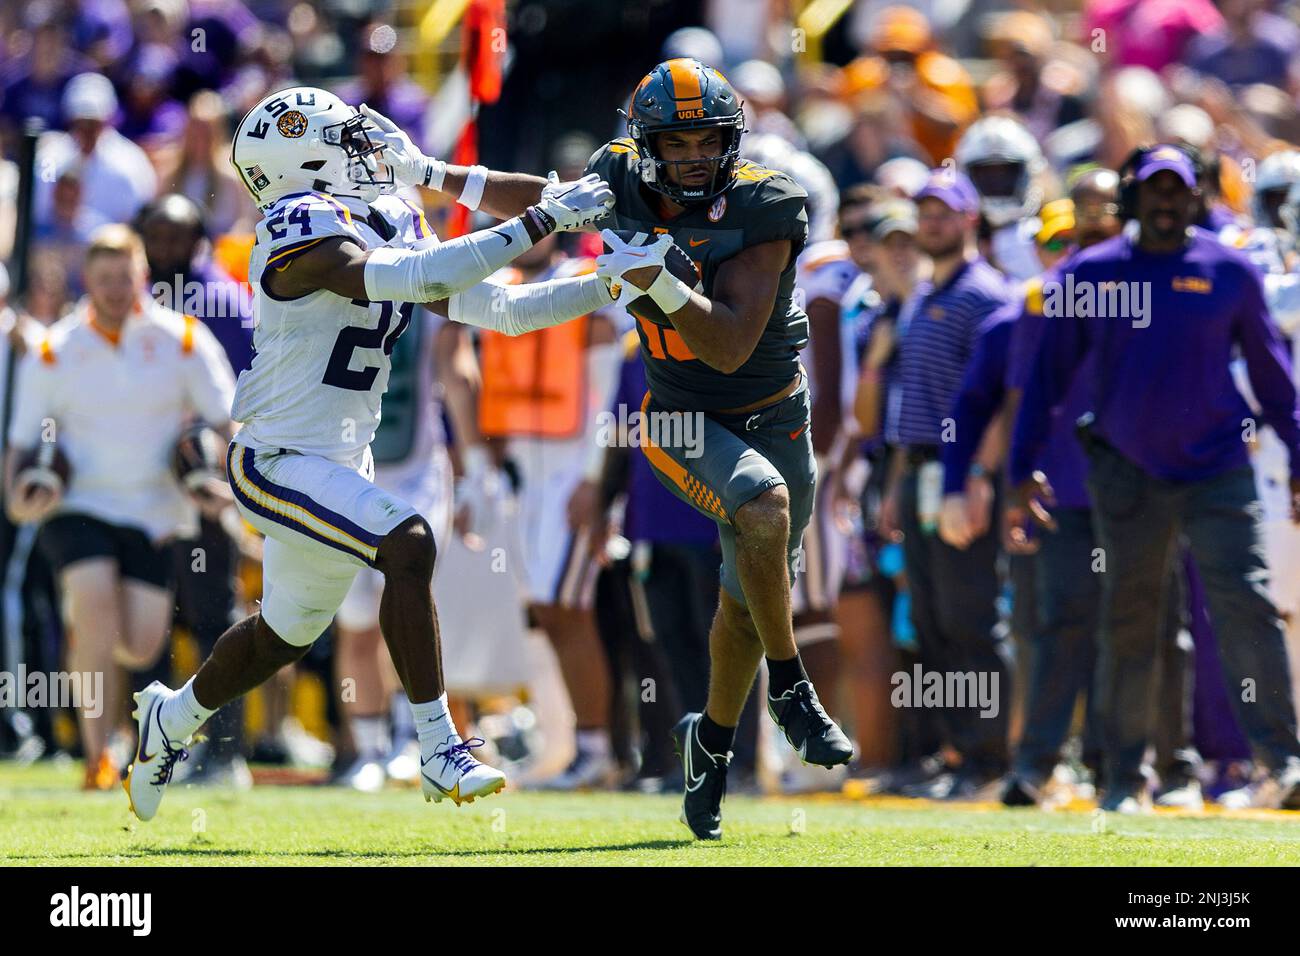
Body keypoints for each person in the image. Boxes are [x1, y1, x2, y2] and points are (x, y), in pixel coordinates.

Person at [119, 86, 622, 821]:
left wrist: (612, 283)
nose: (367, 148)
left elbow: (505, 310)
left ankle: (173, 716)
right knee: (407, 542)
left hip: (340, 458)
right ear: (306, 156)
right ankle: (439, 747)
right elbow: (418, 277)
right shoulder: (298, 224)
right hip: (276, 458)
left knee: (284, 634)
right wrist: (544, 219)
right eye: (347, 138)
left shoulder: (384, 211)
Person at [586, 58, 854, 840]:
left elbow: (732, 346)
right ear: (648, 145)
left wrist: (659, 284)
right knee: (762, 510)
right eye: (677, 140)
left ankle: (710, 745)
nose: (696, 154)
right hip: (677, 420)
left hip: (776, 413)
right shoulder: (619, 179)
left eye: (710, 138)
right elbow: (532, 196)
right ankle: (793, 689)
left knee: (746, 598)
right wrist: (437, 176)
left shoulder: (767, 202)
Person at [1011, 144, 1300, 810]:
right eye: (1154, 189)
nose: (1167, 200)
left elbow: (1271, 377)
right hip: (1127, 473)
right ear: (1133, 198)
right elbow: (1045, 381)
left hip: (1219, 468)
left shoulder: (1227, 271)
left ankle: (1281, 765)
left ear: (1197, 196)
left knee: (1246, 604)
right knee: (1131, 620)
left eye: (1179, 189)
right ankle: (1124, 779)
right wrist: (1021, 468)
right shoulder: (1092, 272)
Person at [5, 224, 236, 790]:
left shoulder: (182, 338)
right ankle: (96, 756)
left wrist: (226, 485)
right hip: (76, 502)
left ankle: (128, 712)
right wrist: (16, 498)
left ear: (142, 277)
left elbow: (228, 421)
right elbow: (19, 443)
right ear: (88, 280)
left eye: (123, 277)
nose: (112, 289)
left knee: (141, 642)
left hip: (155, 510)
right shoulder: (54, 349)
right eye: (102, 278)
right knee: (94, 604)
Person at [881, 167, 1015, 800]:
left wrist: (981, 477)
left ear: (970, 220)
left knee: (970, 618)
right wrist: (896, 488)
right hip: (920, 472)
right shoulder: (922, 295)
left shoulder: (987, 295)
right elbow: (913, 399)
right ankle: (955, 750)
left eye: (944, 212)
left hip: (961, 473)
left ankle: (989, 758)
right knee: (931, 623)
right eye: (924, 213)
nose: (931, 223)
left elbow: (1000, 401)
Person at [476, 232, 625, 790]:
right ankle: (568, 746)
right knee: (546, 610)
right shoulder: (501, 290)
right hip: (527, 476)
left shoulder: (583, 286)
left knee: (567, 608)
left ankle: (597, 749)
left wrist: (595, 480)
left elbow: (612, 394)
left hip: (572, 472)